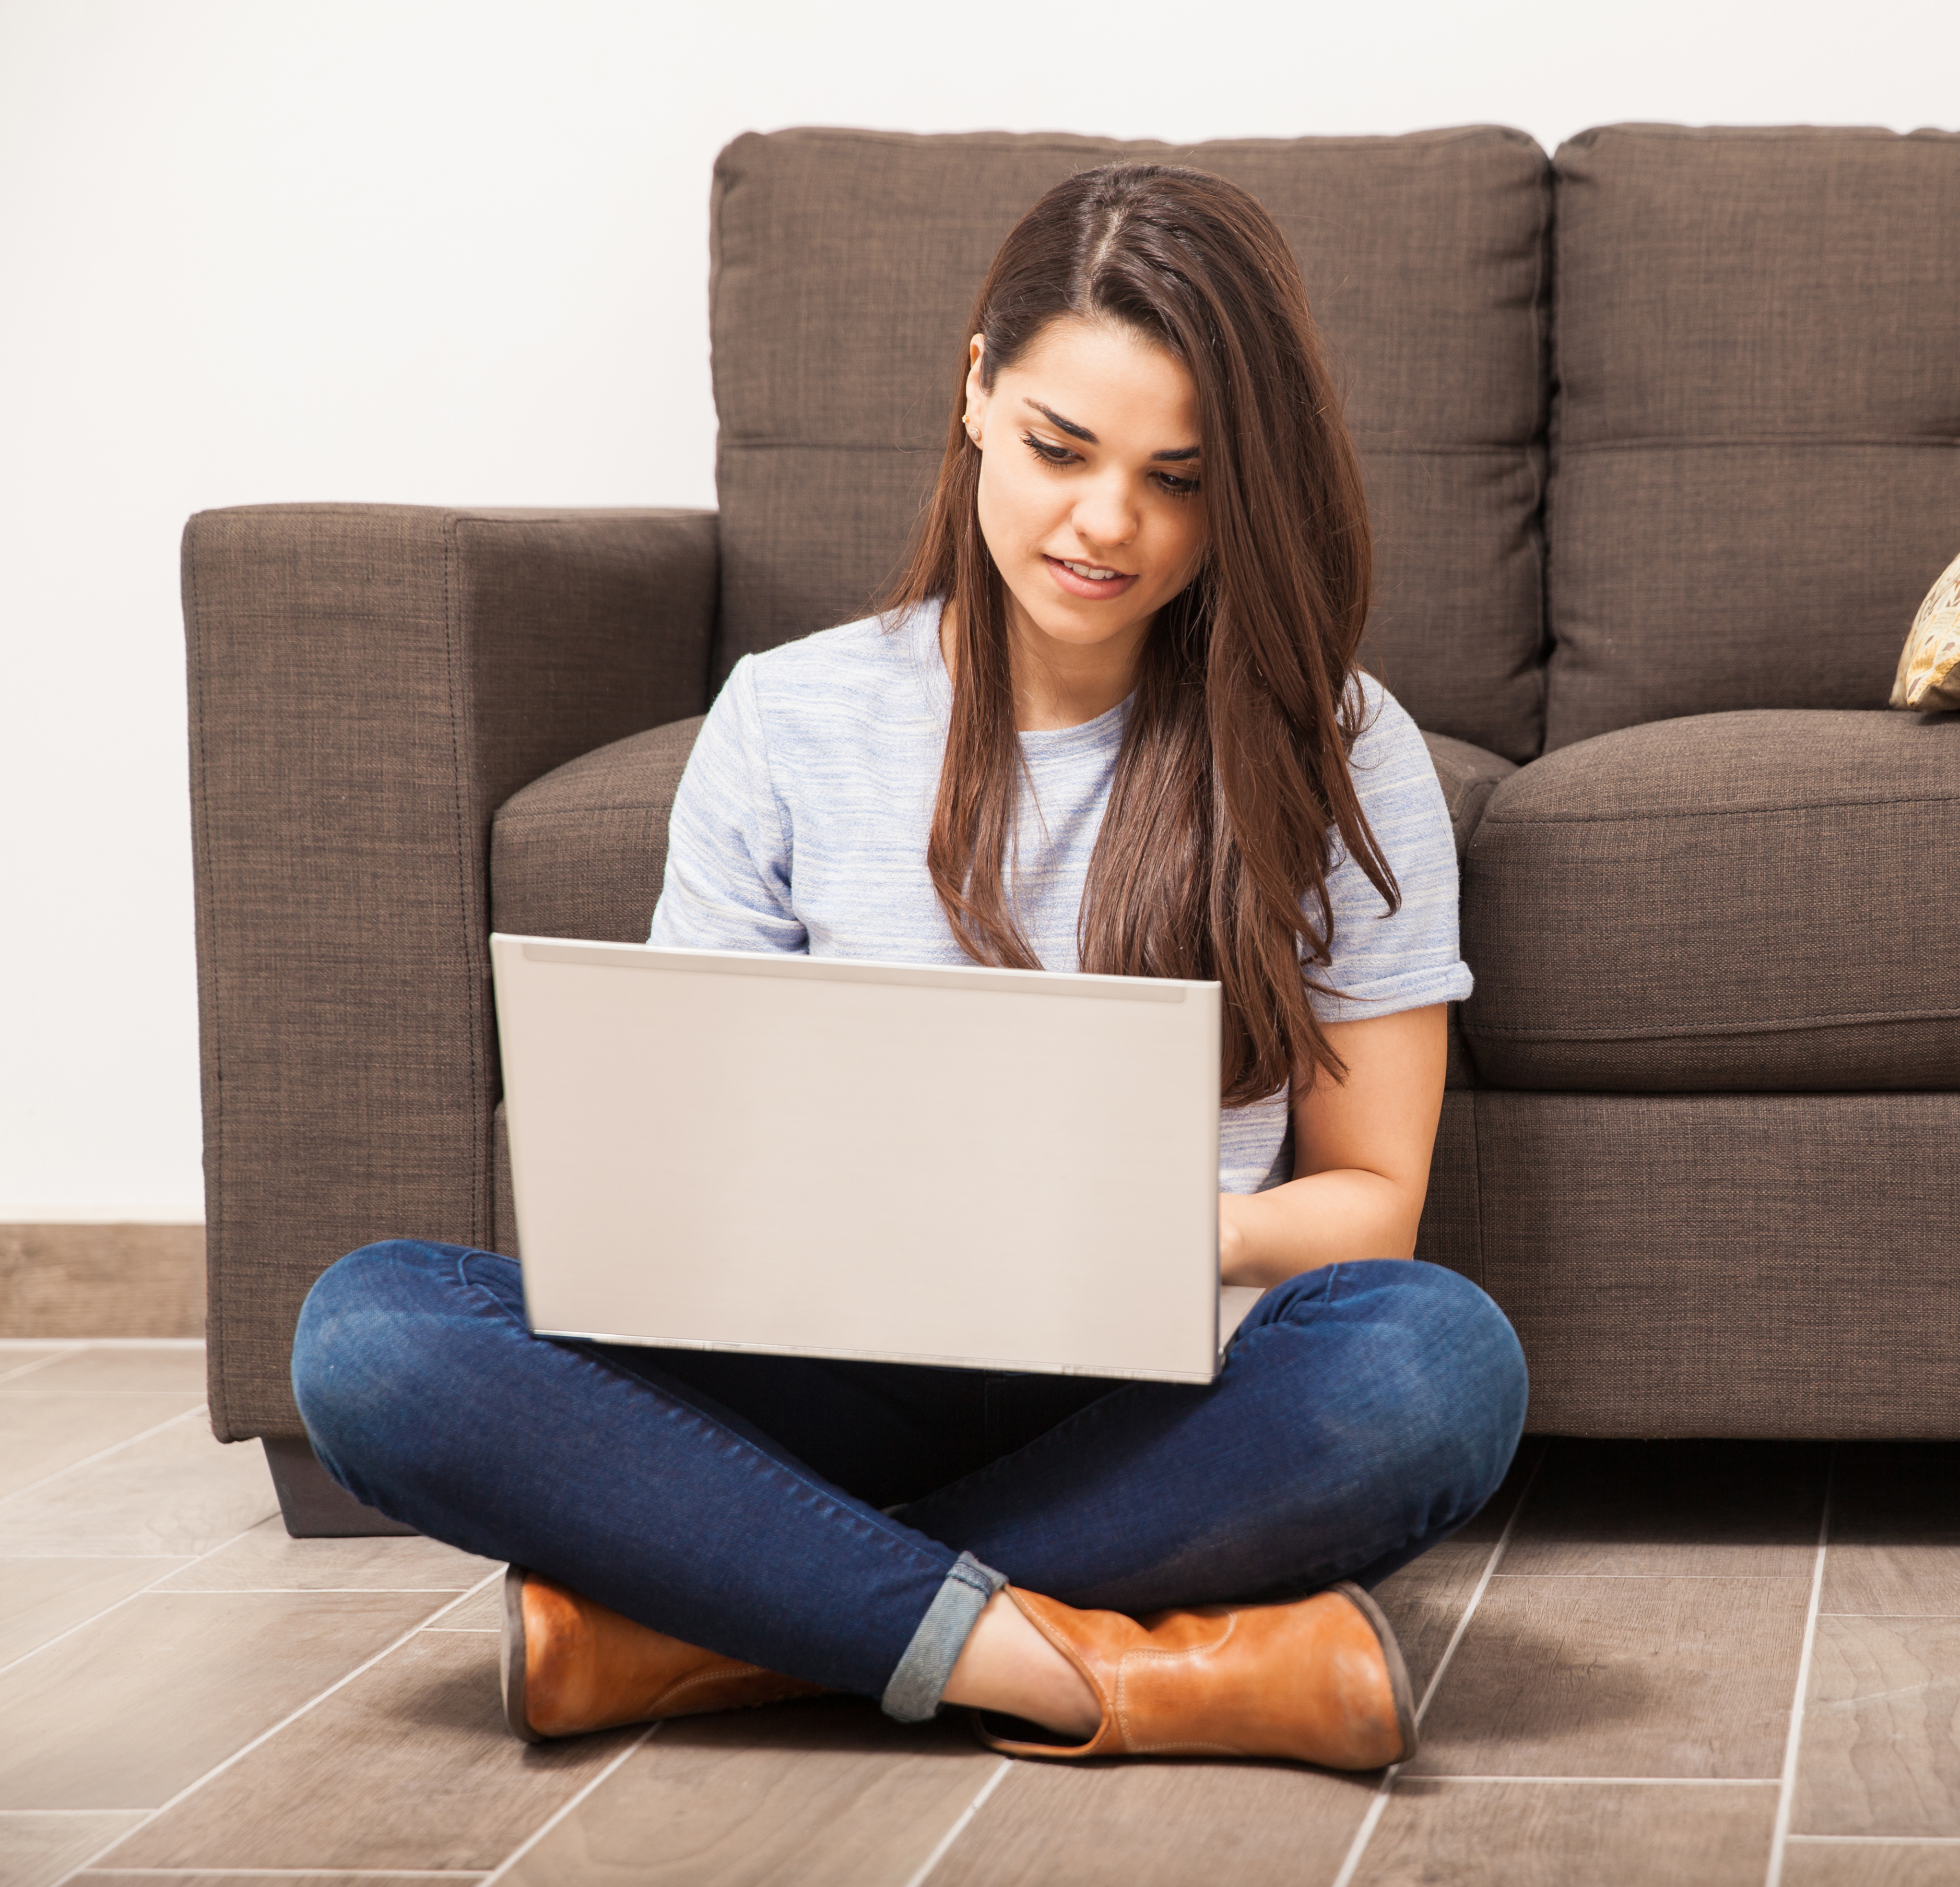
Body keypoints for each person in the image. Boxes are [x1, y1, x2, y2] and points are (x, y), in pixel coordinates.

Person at [288, 163, 1529, 1771]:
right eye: (1060, 449)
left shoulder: (1344, 749)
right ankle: (1055, 1655)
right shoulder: (789, 718)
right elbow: (679, 1176)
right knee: (371, 1334)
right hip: (806, 1382)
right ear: (973, 394)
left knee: (1434, 1362)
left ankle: (717, 1621)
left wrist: (1152, 1229)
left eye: (1179, 478)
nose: (1107, 525)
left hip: (1138, 1390)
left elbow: (1373, 1204)